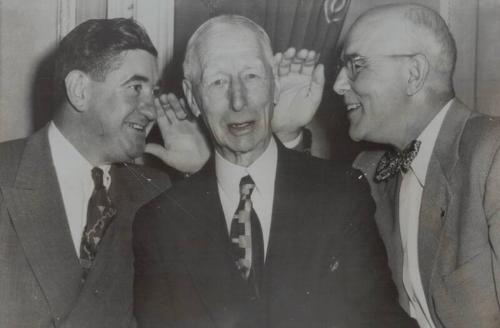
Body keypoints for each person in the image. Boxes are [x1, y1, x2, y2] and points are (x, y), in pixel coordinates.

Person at [133, 14, 416, 328]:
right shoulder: (160, 223)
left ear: (275, 83)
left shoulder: (341, 194)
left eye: (252, 76)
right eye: (218, 81)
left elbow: (381, 320)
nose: (238, 100)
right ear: (191, 96)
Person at [0, 18, 209, 327]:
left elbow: (209, 299)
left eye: (153, 91)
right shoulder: (6, 174)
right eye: (135, 88)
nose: (151, 109)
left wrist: (202, 173)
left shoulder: (157, 192)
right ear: (80, 90)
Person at [333, 4, 500, 328]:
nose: (339, 83)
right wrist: (288, 132)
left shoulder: (493, 155)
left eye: (356, 65)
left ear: (413, 73)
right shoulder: (367, 171)